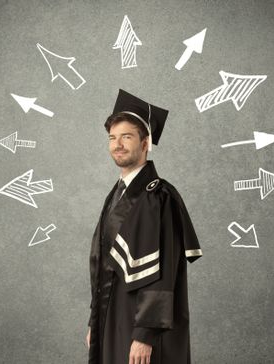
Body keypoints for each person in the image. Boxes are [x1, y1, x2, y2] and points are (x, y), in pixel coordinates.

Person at [86, 89, 203, 364]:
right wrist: (95, 321)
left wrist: (145, 335)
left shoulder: (159, 196)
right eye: (112, 138)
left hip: (144, 324)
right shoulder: (116, 194)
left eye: (126, 137)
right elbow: (105, 266)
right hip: (113, 318)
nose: (118, 144)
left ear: (145, 142)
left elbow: (165, 270)